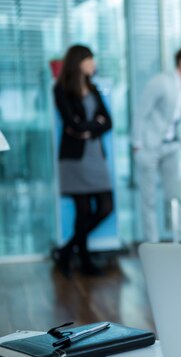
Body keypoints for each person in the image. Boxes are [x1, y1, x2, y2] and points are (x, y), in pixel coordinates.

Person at [51, 45, 114, 277]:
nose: (93, 64)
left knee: (107, 207)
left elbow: (108, 122)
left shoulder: (94, 88)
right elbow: (72, 123)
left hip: (95, 155)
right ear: (78, 62)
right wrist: (92, 125)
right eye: (89, 59)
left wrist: (87, 128)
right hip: (74, 159)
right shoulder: (61, 90)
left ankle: (66, 251)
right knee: (83, 210)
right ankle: (84, 261)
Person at [133, 47, 181, 243]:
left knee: (173, 196)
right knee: (149, 199)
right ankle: (152, 245)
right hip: (149, 146)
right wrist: (137, 143)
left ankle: (176, 240)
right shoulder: (160, 83)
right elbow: (141, 112)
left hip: (171, 147)